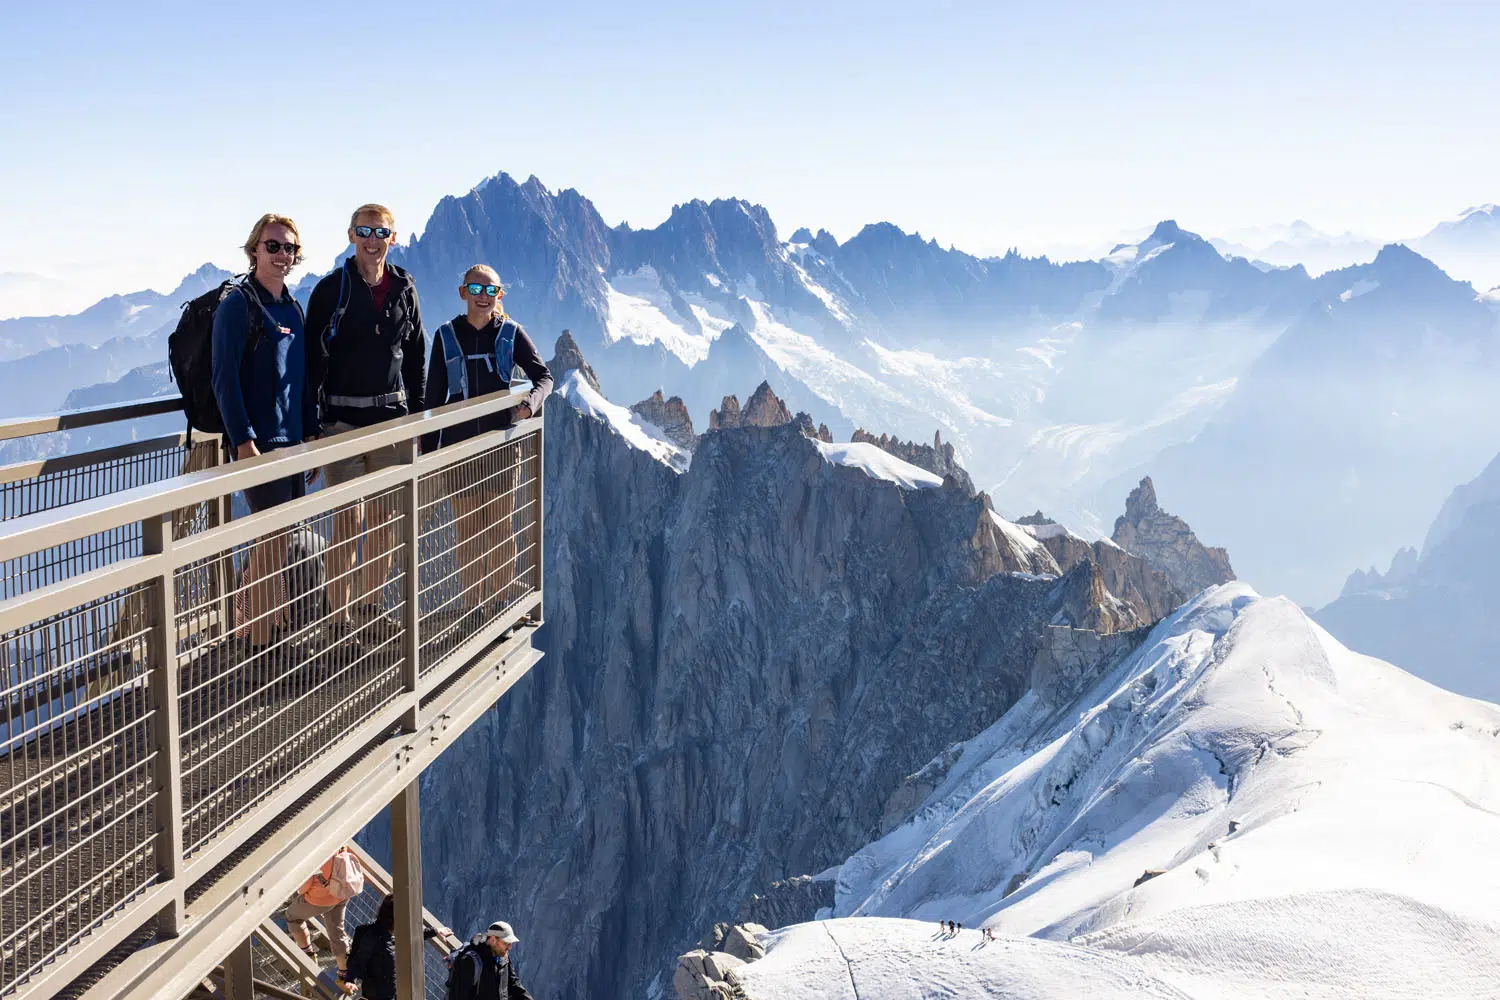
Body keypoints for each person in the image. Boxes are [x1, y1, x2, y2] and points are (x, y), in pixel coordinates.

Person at [305, 204, 427, 642]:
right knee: (347, 521)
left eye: (381, 231)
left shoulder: (404, 289)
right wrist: (311, 427)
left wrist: (418, 418)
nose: (372, 239)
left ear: (393, 238)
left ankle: (371, 610)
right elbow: (310, 362)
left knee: (384, 520)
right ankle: (339, 620)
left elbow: (416, 356)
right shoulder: (330, 291)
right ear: (351, 235)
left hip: (392, 422)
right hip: (341, 423)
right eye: (364, 231)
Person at [422, 265, 551, 620]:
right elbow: (433, 398)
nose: (483, 295)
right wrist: (428, 453)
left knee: (499, 526)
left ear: (500, 295)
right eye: (476, 288)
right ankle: (475, 607)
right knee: (467, 531)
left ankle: (501, 603)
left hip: (500, 445)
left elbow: (544, 377)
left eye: (491, 290)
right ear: (463, 292)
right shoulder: (446, 335)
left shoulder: (511, 333)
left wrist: (529, 405)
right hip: (458, 449)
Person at [211, 213, 314, 649]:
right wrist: (243, 441)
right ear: (254, 250)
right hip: (259, 445)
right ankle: (261, 646)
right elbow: (224, 378)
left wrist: (310, 435)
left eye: (289, 248)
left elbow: (301, 378)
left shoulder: (292, 307)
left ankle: (250, 625)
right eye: (273, 246)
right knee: (272, 541)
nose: (281, 255)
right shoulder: (237, 306)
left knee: (280, 538)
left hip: (292, 444)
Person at [285, 846, 365, 984]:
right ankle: (344, 977)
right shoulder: (338, 841)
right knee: (337, 932)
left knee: (292, 917)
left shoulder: (314, 852)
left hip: (320, 900)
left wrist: (299, 893)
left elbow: (305, 886)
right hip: (342, 891)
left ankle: (308, 953)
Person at [446, 920, 533, 1000]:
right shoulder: (470, 961)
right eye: (506, 943)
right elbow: (457, 996)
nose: (510, 947)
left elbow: (513, 984)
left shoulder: (503, 957)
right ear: (493, 939)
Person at [344, 894, 396, 999]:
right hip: (378, 992)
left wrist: (434, 931)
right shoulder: (372, 937)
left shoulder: (391, 933)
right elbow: (359, 960)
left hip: (389, 989)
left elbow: (413, 934)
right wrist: (350, 979)